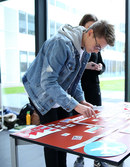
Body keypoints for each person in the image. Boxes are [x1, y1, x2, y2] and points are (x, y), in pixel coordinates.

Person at [22, 20, 115, 167]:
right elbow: (48, 83)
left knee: (62, 140)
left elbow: (74, 79)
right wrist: (74, 105)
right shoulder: (60, 44)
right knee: (52, 141)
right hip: (41, 93)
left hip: (58, 92)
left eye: (101, 49)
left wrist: (80, 100)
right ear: (90, 33)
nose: (97, 51)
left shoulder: (85, 51)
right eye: (97, 46)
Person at [73, 14, 107, 167]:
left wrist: (99, 68)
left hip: (94, 87)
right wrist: (86, 66)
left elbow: (102, 65)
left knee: (96, 124)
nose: (92, 30)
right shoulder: (76, 46)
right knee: (79, 125)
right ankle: (79, 156)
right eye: (89, 28)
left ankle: (97, 159)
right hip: (79, 87)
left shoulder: (96, 47)